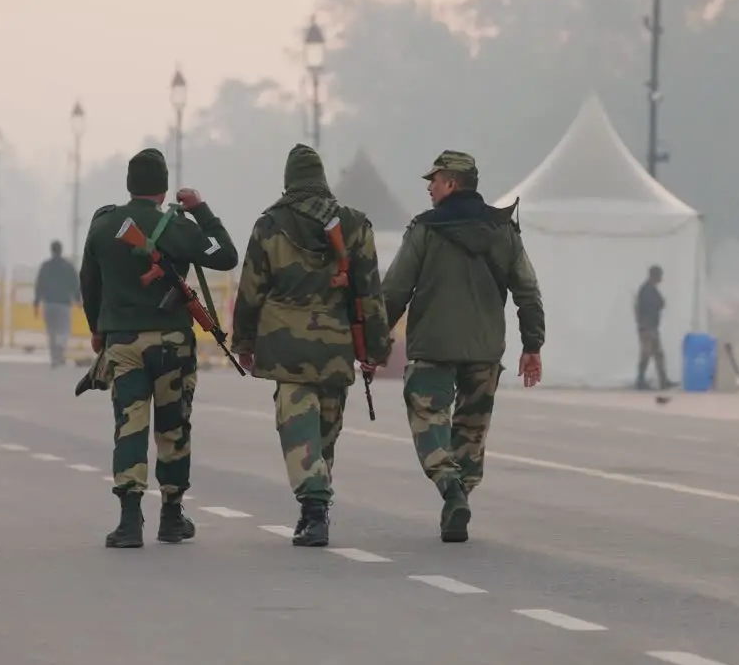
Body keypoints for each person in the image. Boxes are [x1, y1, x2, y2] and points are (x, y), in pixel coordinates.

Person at [230, 144, 392, 548]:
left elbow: (250, 290)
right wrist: (375, 350)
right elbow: (370, 293)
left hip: (286, 348)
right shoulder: (355, 225)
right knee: (324, 435)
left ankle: (314, 507)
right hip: (336, 345)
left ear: (289, 181)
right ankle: (315, 511)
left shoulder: (270, 225)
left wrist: (244, 342)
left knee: (298, 432)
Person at [380, 150, 545, 543]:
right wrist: (532, 344)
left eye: (433, 181)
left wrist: (374, 341)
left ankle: (451, 489)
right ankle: (460, 499)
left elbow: (396, 289)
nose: (429, 188)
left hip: (434, 348)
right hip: (486, 350)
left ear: (451, 183)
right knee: (471, 431)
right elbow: (527, 290)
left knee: (428, 419)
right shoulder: (504, 229)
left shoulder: (425, 229)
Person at [79, 148, 239, 549]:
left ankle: (130, 521)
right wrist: (202, 211)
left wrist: (97, 329)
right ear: (164, 187)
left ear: (129, 184)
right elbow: (226, 256)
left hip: (124, 342)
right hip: (171, 342)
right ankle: (171, 516)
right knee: (174, 427)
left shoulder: (103, 225)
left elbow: (89, 281)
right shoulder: (177, 226)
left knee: (129, 426)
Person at [33, 240, 82, 368]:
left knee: (51, 331)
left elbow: (39, 285)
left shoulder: (45, 266)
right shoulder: (68, 266)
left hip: (49, 304)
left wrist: (36, 302)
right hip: (64, 304)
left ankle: (54, 358)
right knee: (64, 330)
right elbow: (75, 284)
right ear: (61, 250)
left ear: (51, 250)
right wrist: (78, 300)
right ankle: (60, 350)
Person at [634, 264, 670, 390]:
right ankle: (640, 381)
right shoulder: (647, 290)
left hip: (650, 326)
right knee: (647, 354)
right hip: (647, 327)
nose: (661, 278)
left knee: (657, 354)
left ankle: (663, 380)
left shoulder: (650, 289)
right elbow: (655, 304)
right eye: (660, 275)